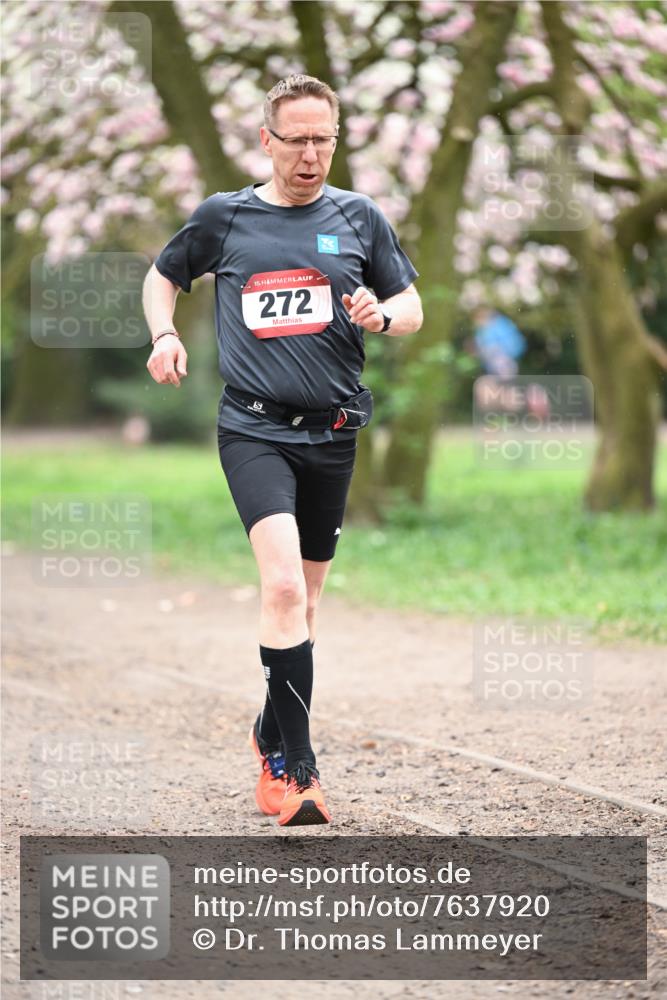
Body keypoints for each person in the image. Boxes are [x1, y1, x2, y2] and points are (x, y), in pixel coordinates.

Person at [142, 75, 422, 827]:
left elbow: (411, 305)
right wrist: (165, 335)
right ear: (266, 142)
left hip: (332, 434)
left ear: (336, 140)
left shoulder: (358, 217)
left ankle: (271, 726)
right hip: (253, 429)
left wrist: (382, 315)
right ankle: (294, 773)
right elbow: (163, 276)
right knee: (283, 592)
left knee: (308, 600)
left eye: (321, 139)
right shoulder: (224, 217)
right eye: (294, 139)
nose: (309, 154)